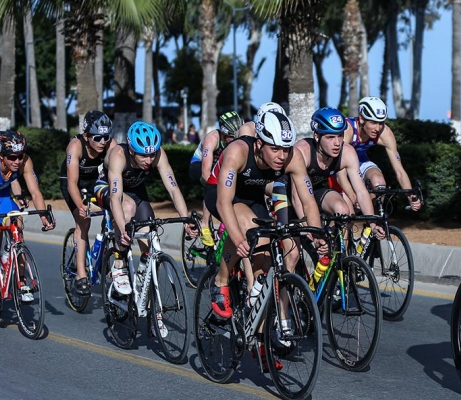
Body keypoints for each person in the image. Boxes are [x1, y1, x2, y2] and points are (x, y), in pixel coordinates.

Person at [205, 110, 327, 370]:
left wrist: (316, 234)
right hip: (222, 194)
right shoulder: (238, 151)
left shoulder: (292, 157)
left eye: (286, 149)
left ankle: (259, 342)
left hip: (253, 196)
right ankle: (221, 280)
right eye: (275, 149)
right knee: (246, 229)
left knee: (264, 268)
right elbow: (224, 203)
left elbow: (308, 201)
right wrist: (237, 238)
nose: (282, 156)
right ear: (259, 143)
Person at [94, 121, 198, 296]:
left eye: (152, 155)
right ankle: (119, 263)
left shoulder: (158, 154)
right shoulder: (118, 155)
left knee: (149, 234)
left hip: (135, 190)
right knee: (127, 208)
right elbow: (116, 198)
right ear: (132, 151)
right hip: (107, 187)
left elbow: (173, 189)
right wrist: (123, 230)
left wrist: (185, 219)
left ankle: (142, 280)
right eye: (143, 156)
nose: (149, 160)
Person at [0, 129, 55, 300]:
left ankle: (19, 275)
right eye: (12, 157)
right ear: (1, 156)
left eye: (20, 156)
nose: (17, 161)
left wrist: (43, 216)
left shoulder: (25, 162)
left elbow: (35, 192)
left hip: (2, 197)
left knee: (17, 227)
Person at [290, 107, 381, 237]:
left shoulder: (347, 153)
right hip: (289, 193)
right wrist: (311, 232)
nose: (337, 143)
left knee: (343, 210)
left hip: (314, 191)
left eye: (340, 136)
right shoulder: (302, 152)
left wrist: (372, 225)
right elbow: (296, 197)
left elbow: (361, 191)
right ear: (317, 136)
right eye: (330, 137)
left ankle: (335, 247)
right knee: (296, 247)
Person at [59, 111, 117, 295]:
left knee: (114, 213)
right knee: (83, 221)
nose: (102, 142)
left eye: (106, 137)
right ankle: (81, 274)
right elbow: (72, 184)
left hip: (93, 181)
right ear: (86, 135)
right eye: (97, 138)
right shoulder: (75, 146)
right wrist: (81, 207)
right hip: (72, 182)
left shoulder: (111, 144)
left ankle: (104, 253)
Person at [341, 97, 421, 212]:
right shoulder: (347, 130)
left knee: (379, 183)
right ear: (362, 118)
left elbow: (399, 170)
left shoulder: (385, 133)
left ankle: (374, 220)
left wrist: (410, 195)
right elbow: (340, 173)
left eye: (381, 123)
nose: (377, 128)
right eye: (373, 122)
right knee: (348, 215)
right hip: (340, 168)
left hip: (360, 161)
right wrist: (353, 198)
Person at [188, 111, 244, 246]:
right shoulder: (212, 138)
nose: (237, 140)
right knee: (214, 186)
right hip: (199, 165)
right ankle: (204, 224)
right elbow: (205, 173)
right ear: (224, 134)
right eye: (233, 137)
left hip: (219, 167)